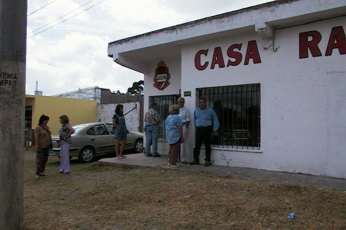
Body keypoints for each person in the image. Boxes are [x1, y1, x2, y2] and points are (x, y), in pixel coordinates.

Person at [192, 97, 220, 167]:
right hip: (198, 129)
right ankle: (196, 160)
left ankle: (207, 161)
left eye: (203, 102)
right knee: (197, 145)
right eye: (200, 102)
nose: (201, 104)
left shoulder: (211, 111)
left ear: (205, 103)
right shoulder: (196, 110)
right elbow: (194, 120)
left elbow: (216, 120)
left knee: (207, 145)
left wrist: (215, 130)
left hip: (207, 129)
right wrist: (196, 127)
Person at [177, 97, 190, 162]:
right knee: (176, 142)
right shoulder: (176, 109)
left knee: (182, 144)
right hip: (176, 128)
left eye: (182, 102)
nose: (180, 103)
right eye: (179, 102)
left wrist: (185, 126)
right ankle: (176, 157)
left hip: (183, 127)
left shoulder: (186, 110)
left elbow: (188, 120)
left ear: (184, 102)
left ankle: (183, 158)